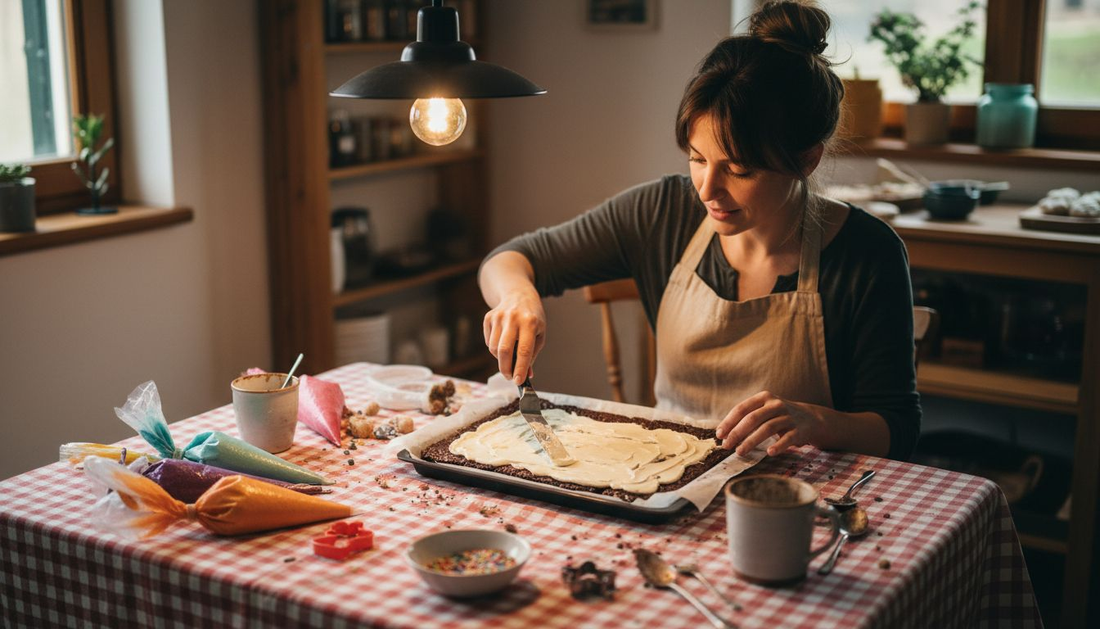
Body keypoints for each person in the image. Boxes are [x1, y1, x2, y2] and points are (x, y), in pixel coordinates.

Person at [478, 0, 921, 461]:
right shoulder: (661, 212)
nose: (709, 190)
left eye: (740, 169)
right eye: (697, 158)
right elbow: (510, 259)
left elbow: (898, 429)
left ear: (806, 160)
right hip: (664, 477)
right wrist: (518, 298)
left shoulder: (868, 253)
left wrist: (819, 422)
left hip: (797, 496)